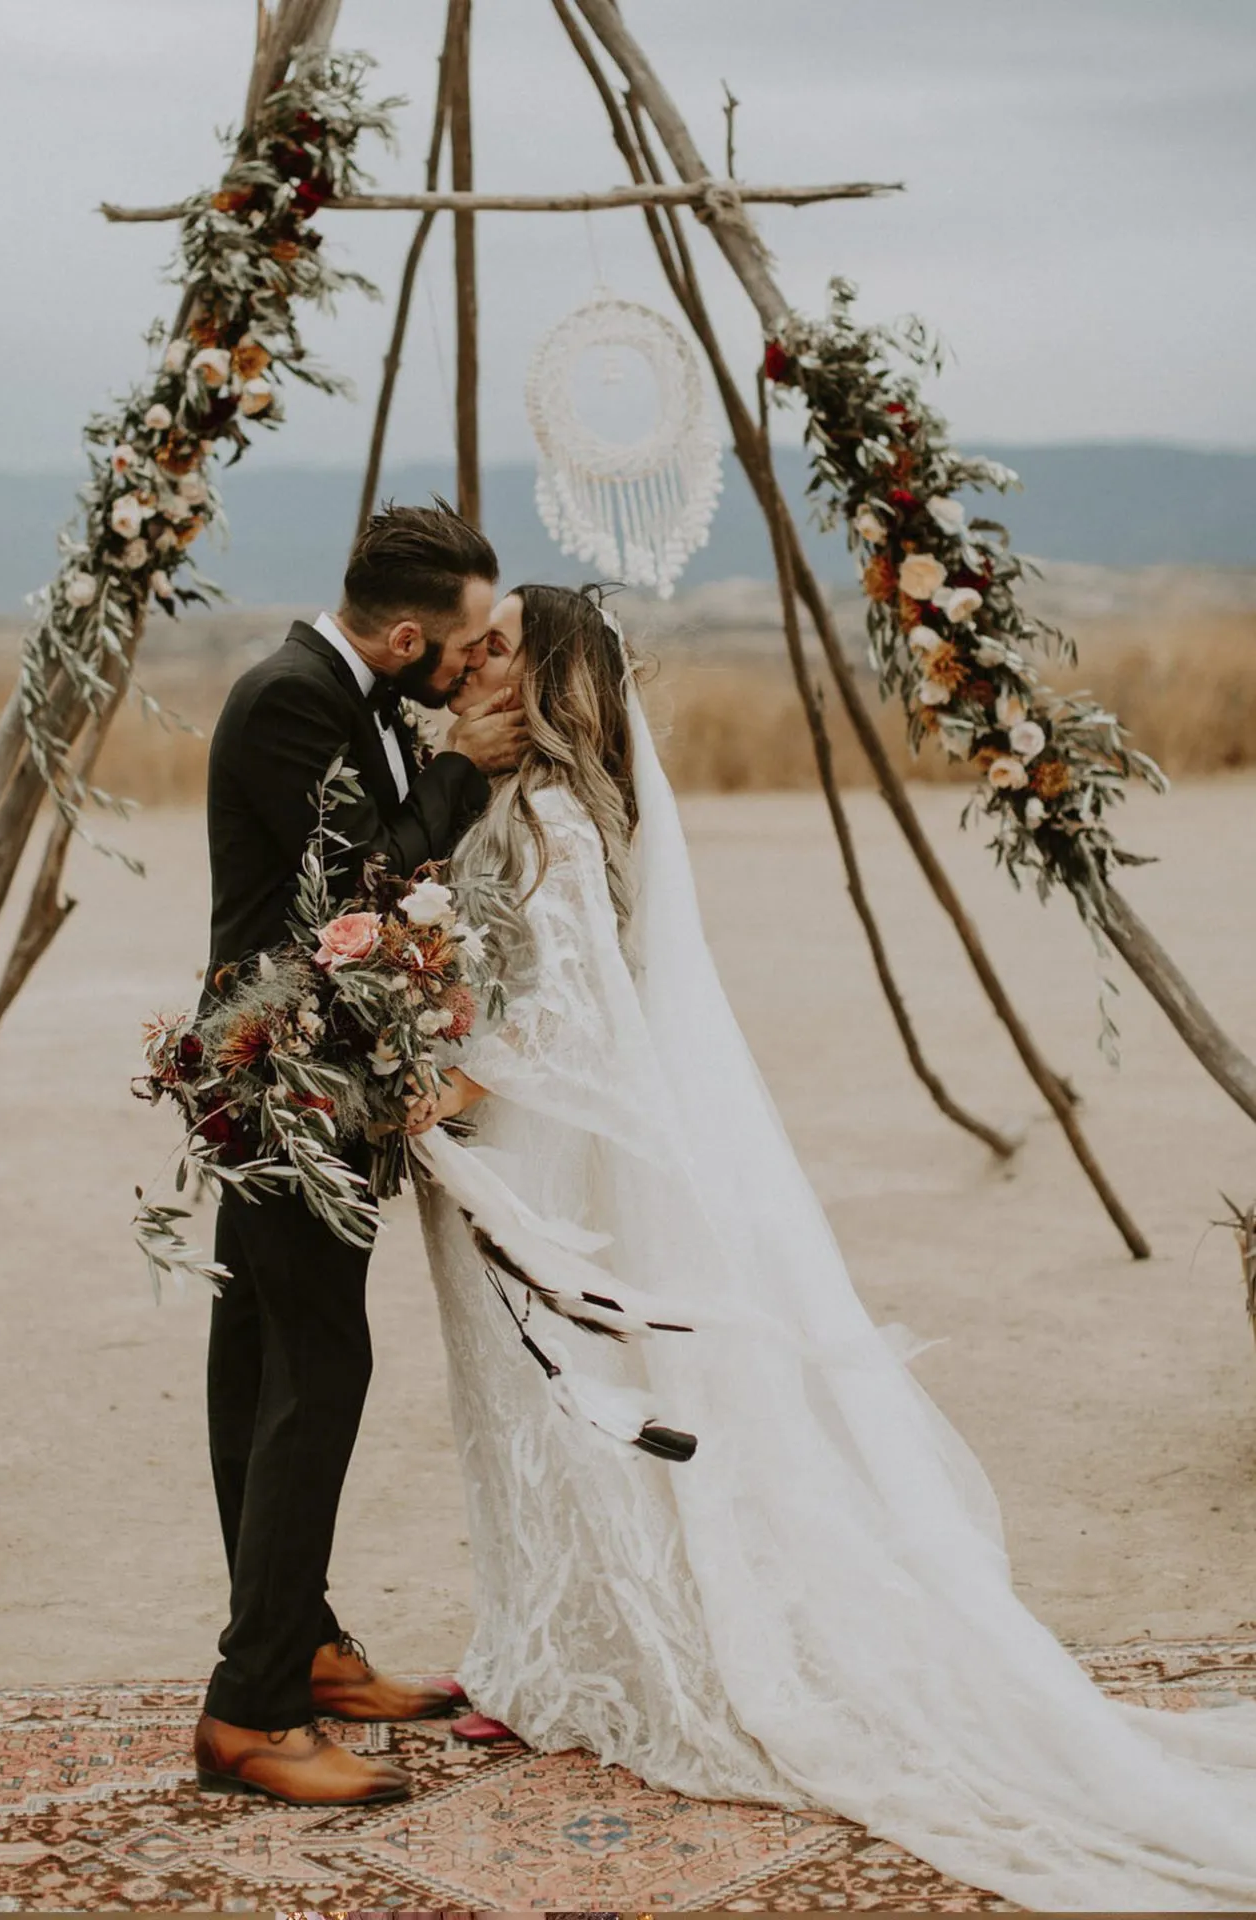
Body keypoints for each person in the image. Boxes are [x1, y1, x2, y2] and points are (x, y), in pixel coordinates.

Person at [405, 582, 1256, 1910]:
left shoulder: (556, 817)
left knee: (571, 1402)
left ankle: (587, 1665)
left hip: (539, 1157)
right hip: (503, 1143)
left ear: (552, 680)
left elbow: (566, 1022)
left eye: (499, 646)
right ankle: (534, 1648)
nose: (469, 661)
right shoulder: (499, 800)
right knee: (518, 1404)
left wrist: (435, 1089)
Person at [192, 502, 525, 1810]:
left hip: (305, 1077)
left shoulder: (358, 696)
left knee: (263, 1366)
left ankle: (307, 1648)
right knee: (312, 1369)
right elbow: (349, 899)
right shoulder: (287, 700)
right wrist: (467, 772)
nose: (471, 669)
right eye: (464, 647)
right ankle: (252, 1709)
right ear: (403, 638)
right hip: (282, 1086)